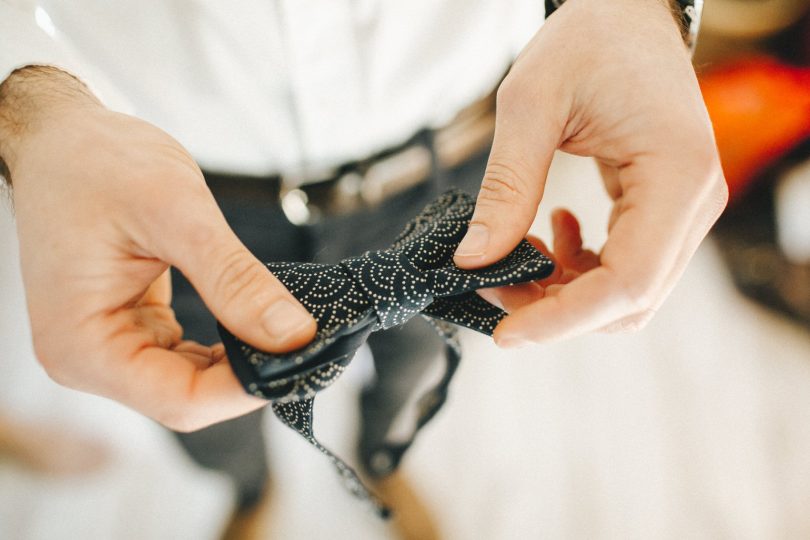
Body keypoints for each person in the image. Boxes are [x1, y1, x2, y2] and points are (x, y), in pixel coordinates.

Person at [0, 0, 727, 530]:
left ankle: (385, 462)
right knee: (201, 413)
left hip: (459, 160)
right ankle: (249, 494)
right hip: (163, 194)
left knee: (418, 367)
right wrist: (23, 104)